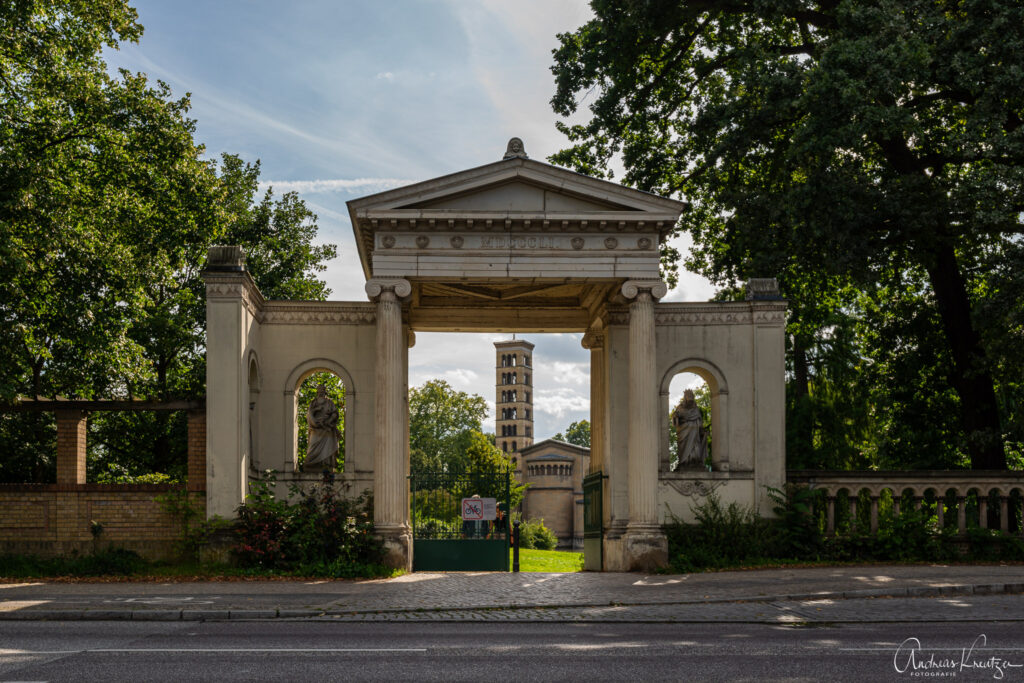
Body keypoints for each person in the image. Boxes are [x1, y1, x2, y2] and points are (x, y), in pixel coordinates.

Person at [304, 384, 340, 471]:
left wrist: (329, 420)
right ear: (317, 392)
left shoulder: (329, 402)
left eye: (322, 390)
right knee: (312, 446)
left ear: (325, 391)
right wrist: (316, 411)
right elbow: (309, 414)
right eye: (319, 390)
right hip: (315, 428)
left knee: (327, 448)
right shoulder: (313, 402)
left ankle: (326, 464)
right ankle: (311, 464)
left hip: (327, 427)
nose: (320, 392)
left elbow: (335, 413)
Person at [673, 389, 708, 470]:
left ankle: (695, 462)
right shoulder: (680, 408)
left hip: (695, 434)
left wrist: (702, 430)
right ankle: (684, 462)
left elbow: (699, 421)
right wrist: (676, 417)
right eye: (688, 396)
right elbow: (676, 421)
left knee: (696, 448)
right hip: (684, 433)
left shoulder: (696, 409)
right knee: (684, 448)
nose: (690, 399)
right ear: (685, 398)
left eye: (691, 396)